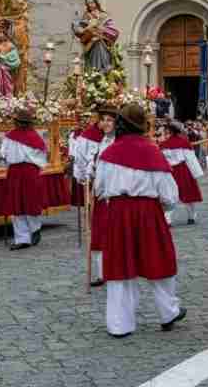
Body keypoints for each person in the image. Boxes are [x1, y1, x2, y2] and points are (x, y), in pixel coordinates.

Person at [93, 104, 185, 338]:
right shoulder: (153, 152)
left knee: (120, 266)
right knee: (158, 261)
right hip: (148, 213)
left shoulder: (108, 154)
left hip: (118, 213)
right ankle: (168, 312)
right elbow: (169, 194)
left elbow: (99, 189)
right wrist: (162, 208)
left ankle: (119, 323)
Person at [1, 107, 48, 250]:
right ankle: (22, 239)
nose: (20, 125)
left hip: (29, 171)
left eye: (22, 122)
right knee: (17, 205)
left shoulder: (33, 137)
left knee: (30, 203)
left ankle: (34, 229)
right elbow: (42, 156)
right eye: (18, 122)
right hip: (17, 171)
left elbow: (3, 154)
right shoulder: (11, 136)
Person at [86, 104, 118, 287]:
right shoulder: (101, 142)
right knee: (98, 233)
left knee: (110, 233)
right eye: (103, 119)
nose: (105, 123)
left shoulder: (118, 143)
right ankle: (100, 272)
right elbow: (96, 164)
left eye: (109, 120)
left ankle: (113, 268)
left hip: (111, 194)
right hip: (99, 193)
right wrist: (90, 171)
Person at [160, 120, 203, 224]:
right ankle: (191, 216)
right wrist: (196, 173)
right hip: (183, 170)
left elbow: (162, 160)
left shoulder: (163, 145)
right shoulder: (184, 143)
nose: (165, 134)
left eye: (167, 132)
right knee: (188, 194)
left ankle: (168, 218)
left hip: (171, 171)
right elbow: (191, 159)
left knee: (170, 194)